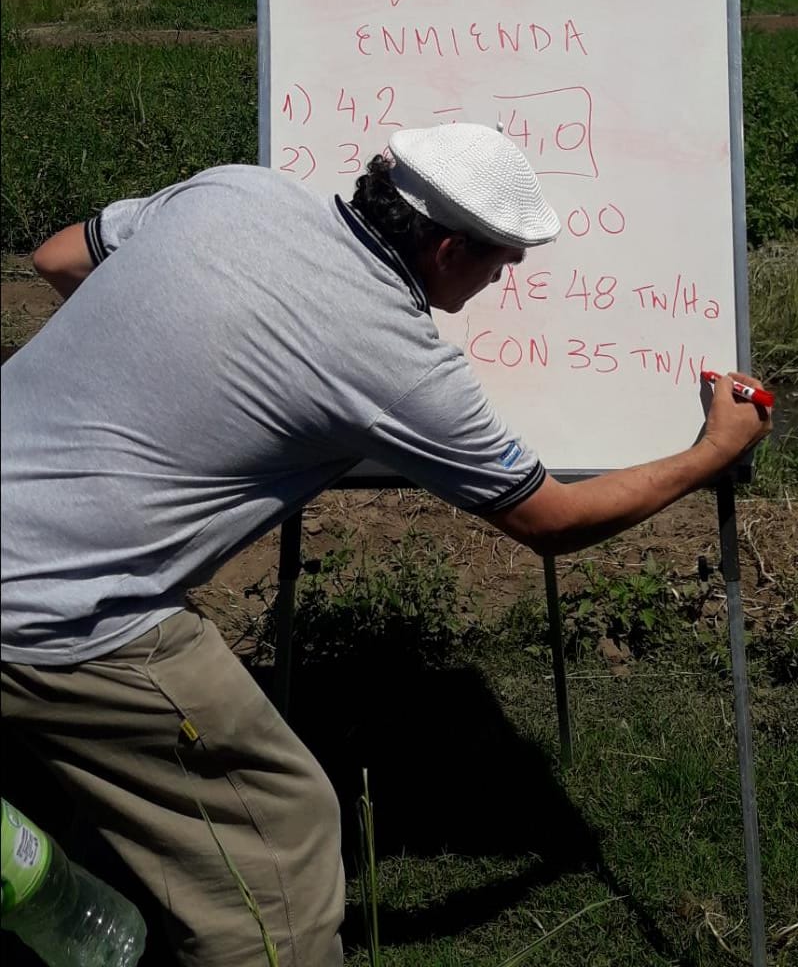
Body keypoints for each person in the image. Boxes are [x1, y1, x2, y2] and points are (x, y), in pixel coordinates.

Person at [1, 123, 770, 966]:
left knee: (135, 792)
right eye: (503, 261)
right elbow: (553, 520)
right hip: (60, 605)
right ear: (447, 250)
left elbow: (58, 257)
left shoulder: (240, 189)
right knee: (282, 827)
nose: (506, 278)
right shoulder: (392, 360)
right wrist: (712, 453)